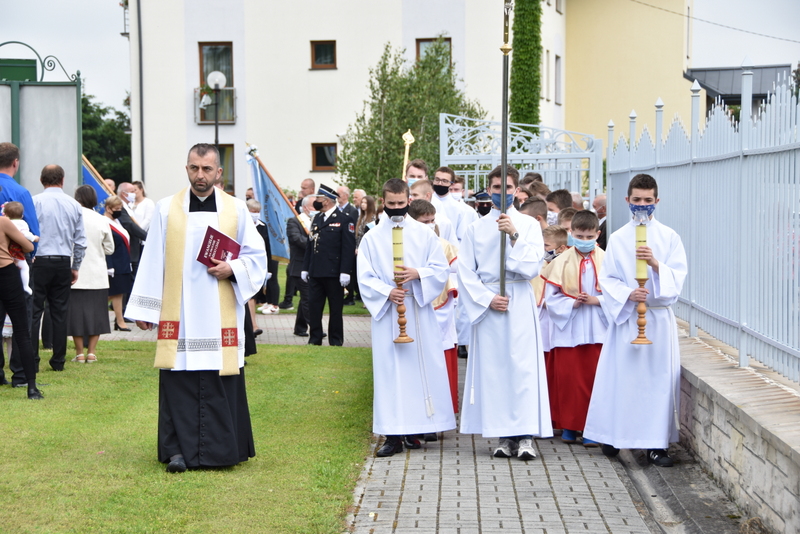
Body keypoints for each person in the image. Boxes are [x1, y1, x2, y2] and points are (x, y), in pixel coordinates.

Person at [125, 143, 267, 473]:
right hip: (182, 315)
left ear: (218, 172)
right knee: (179, 379)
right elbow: (152, 259)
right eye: (194, 168)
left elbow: (256, 257)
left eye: (206, 169)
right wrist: (147, 309)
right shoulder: (166, 208)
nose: (200, 175)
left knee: (220, 378)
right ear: (186, 168)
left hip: (220, 312)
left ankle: (223, 451)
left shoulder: (236, 209)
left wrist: (233, 268)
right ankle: (177, 451)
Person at [583, 174, 687, 468]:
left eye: (648, 200)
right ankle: (615, 435)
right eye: (637, 200)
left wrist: (655, 265)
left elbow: (678, 277)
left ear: (657, 201)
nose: (642, 205)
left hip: (657, 319)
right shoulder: (618, 238)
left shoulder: (669, 237)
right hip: (628, 318)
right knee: (623, 380)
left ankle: (655, 444)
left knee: (657, 383)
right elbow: (608, 279)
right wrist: (628, 294)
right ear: (627, 200)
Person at [457, 165, 552, 460]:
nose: (502, 192)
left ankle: (525, 435)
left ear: (517, 191)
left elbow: (532, 267)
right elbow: (465, 272)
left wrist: (514, 236)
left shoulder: (529, 225)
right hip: (491, 305)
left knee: (522, 368)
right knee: (494, 369)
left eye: (507, 188)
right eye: (497, 188)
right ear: (489, 190)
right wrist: (487, 299)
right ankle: (502, 434)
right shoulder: (474, 229)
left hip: (519, 300)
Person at [358, 178, 455, 456]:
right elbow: (364, 277)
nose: (397, 209)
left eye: (401, 203)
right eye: (391, 204)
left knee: (418, 371)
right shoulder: (372, 238)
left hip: (417, 309)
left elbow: (440, 269)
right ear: (383, 202)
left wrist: (418, 273)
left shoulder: (425, 234)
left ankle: (415, 429)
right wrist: (386, 291)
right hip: (388, 312)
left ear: (409, 201)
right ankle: (392, 435)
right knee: (390, 373)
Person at [542, 211, 607, 446]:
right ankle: (569, 425)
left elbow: (618, 294)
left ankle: (592, 429)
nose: (584, 240)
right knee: (569, 380)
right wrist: (572, 303)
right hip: (569, 328)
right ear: (571, 234)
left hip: (598, 328)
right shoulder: (560, 262)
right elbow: (550, 297)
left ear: (597, 234)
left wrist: (597, 300)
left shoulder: (607, 260)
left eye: (589, 236)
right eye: (579, 236)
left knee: (594, 380)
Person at [407, 199, 460, 421]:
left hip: (441, 307)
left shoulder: (444, 246)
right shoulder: (405, 245)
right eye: (424, 222)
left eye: (432, 221)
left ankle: (442, 413)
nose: (430, 226)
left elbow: (456, 271)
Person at [31, 164, 87, 372]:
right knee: (60, 312)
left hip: (38, 260)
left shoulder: (34, 202)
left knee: (34, 311)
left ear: (41, 180)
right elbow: (80, 241)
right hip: (63, 260)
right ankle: (58, 360)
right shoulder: (73, 205)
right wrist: (75, 265)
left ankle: (33, 359)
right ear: (62, 180)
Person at [0, 142, 40, 387]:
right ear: (15, 162)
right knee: (21, 319)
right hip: (14, 262)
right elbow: (32, 232)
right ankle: (21, 374)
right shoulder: (20, 192)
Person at [301, 184, 356, 346]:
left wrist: (345, 271)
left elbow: (348, 247)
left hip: (334, 272)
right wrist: (305, 267)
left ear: (326, 201)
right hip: (316, 271)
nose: (316, 201)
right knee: (314, 307)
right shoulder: (317, 218)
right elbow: (311, 244)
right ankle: (315, 338)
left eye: (318, 198)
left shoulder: (344, 219)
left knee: (335, 309)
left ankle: (336, 339)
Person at [68, 186, 115, 363]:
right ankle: (92, 352)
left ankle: (79, 353)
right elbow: (110, 248)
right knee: (97, 315)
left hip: (75, 272)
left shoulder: (71, 217)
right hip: (97, 273)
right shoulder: (101, 219)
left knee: (76, 316)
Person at [0, 214, 43, 399]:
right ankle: (31, 387)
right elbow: (29, 246)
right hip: (6, 274)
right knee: (21, 331)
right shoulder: (3, 222)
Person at [105, 196, 135, 331]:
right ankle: (92, 310)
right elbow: (106, 244)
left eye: (120, 209)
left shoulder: (117, 221)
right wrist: (109, 265)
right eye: (116, 209)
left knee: (120, 292)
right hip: (114, 263)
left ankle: (119, 320)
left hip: (123, 261)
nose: (119, 211)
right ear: (108, 208)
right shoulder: (104, 222)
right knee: (115, 292)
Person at [430, 166, 478, 244]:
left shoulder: (459, 208)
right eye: (437, 180)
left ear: (451, 184)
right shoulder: (427, 202)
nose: (440, 183)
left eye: (444, 181)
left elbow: (461, 236)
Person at [0, 201, 38, 295]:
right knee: (25, 268)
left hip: (6, 253)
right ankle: (25, 286)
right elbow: (26, 235)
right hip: (17, 250)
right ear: (22, 215)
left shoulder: (4, 222)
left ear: (6, 214)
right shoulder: (21, 223)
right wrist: (34, 238)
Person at [287, 196, 312, 336]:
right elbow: (296, 239)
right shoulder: (295, 221)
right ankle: (315, 327)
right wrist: (314, 243)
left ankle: (300, 328)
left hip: (312, 266)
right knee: (308, 298)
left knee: (305, 298)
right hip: (299, 266)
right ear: (306, 207)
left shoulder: (315, 221)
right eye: (314, 206)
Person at [409, 179, 458, 246]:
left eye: (415, 195)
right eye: (410, 195)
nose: (411, 198)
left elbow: (452, 248)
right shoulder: (407, 218)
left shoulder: (444, 223)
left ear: (427, 196)